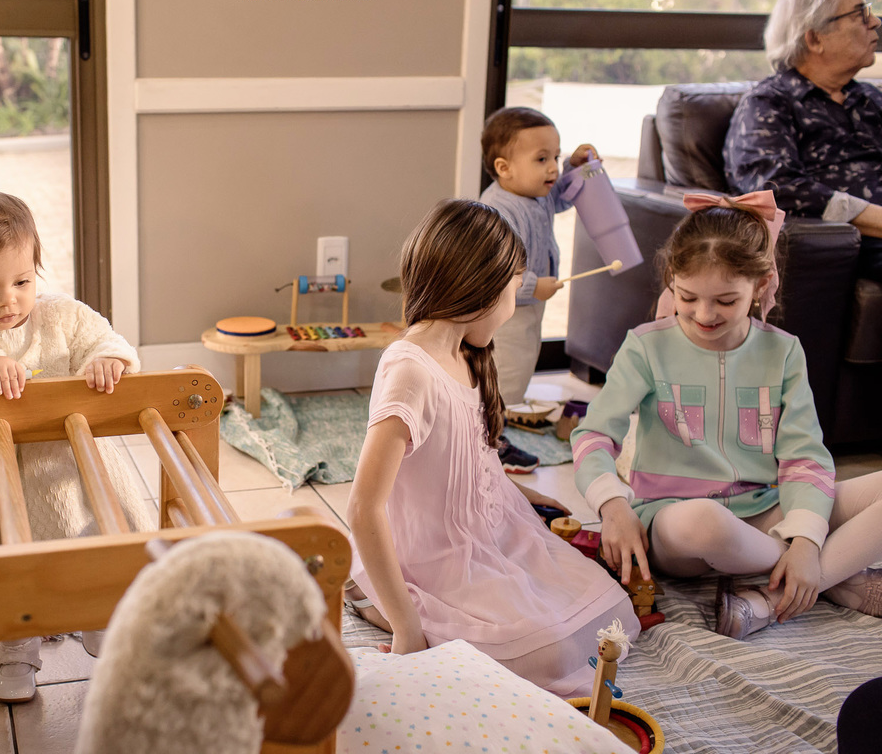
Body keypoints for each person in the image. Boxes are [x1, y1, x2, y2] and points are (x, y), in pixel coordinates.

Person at [346, 198, 638, 697]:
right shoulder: (411, 370)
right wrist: (407, 631)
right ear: (481, 288)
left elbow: (472, 459)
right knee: (546, 651)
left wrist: (521, 496)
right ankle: (380, 601)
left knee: (613, 610)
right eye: (513, 290)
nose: (513, 306)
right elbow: (362, 507)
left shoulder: (467, 353)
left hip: (492, 536)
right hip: (437, 557)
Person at [571, 191, 882, 641]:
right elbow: (593, 435)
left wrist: (807, 539)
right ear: (671, 279)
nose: (704, 314)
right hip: (675, 522)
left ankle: (771, 599)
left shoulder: (783, 351)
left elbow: (805, 457)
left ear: (761, 284)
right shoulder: (646, 346)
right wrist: (613, 505)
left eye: (725, 301)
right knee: (704, 520)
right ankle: (831, 576)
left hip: (765, 507)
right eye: (687, 296)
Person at [0, 191, 153, 703]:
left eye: (22, 282)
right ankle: (16, 652)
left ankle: (101, 622)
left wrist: (107, 360)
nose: (9, 301)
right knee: (10, 567)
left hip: (68, 465)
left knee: (92, 546)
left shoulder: (63, 316)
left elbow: (107, 341)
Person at [724, 0, 882, 281]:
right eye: (860, 14)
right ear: (814, 38)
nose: (875, 21)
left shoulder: (870, 98)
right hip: (851, 246)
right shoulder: (769, 103)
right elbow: (776, 189)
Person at [480, 106, 597, 473]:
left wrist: (576, 167)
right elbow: (494, 272)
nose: (553, 169)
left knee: (521, 367)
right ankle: (488, 443)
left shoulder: (535, 192)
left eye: (556, 158)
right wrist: (532, 284)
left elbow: (559, 196)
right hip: (504, 313)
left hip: (528, 306)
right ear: (504, 168)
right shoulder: (498, 212)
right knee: (505, 373)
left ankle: (492, 430)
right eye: (542, 159)